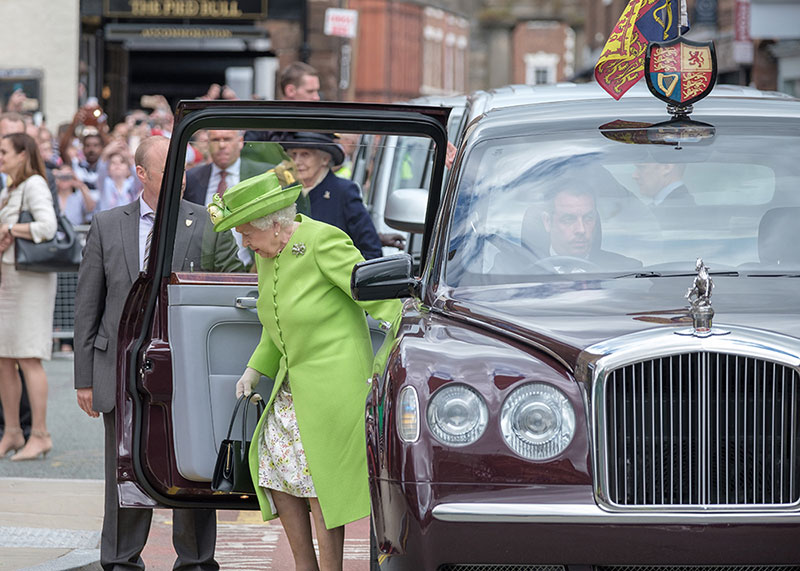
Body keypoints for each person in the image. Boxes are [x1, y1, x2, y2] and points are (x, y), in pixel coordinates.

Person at [205, 169, 400, 570]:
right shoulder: (268, 254)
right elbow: (275, 324)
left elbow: (376, 296)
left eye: (247, 234)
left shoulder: (322, 241)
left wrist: (402, 342)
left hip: (335, 384)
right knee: (276, 472)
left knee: (318, 482)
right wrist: (253, 370)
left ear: (276, 226)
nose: (245, 243)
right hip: (293, 385)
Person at [73, 135, 241, 570]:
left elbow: (233, 289)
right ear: (142, 174)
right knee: (123, 469)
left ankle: (197, 562)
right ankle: (121, 559)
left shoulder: (207, 223)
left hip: (188, 369)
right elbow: (88, 305)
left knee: (193, 468)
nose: (181, 179)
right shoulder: (108, 224)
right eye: (170, 171)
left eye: (184, 169)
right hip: (121, 370)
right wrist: (85, 378)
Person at [0, 133, 58, 460]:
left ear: (23, 154)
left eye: (4, 151)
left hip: (30, 282)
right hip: (10, 280)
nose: (0, 156)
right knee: (5, 358)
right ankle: (12, 431)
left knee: (28, 356)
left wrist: (10, 230)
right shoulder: (11, 188)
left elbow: (47, 227)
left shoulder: (34, 183)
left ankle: (40, 433)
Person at [282, 131, 383, 260]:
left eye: (305, 155)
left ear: (325, 159)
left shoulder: (344, 192)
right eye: (294, 155)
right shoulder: (288, 194)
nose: (297, 161)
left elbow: (371, 251)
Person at [531, 186, 640, 272]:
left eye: (588, 218)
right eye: (568, 219)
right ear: (547, 222)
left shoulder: (627, 271)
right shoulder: (521, 273)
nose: (581, 229)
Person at [184, 129, 251, 266]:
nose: (221, 145)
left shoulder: (258, 175)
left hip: (251, 269)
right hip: (201, 269)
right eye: (215, 140)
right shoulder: (191, 178)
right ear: (207, 143)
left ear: (240, 142)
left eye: (227, 139)